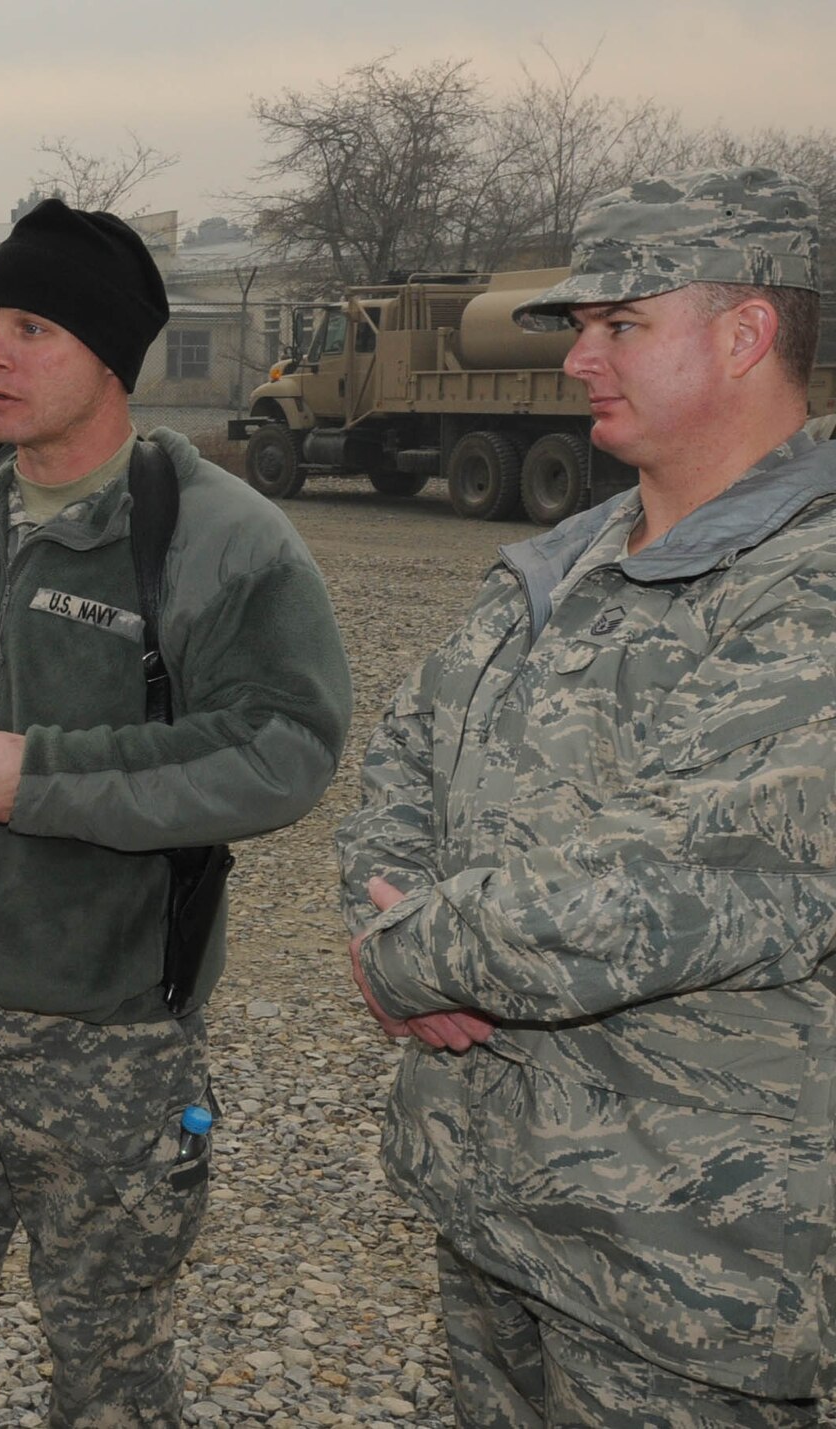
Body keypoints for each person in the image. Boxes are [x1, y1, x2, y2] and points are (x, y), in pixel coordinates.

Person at [0, 198, 352, 1427]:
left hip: (110, 1037)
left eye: (31, 329)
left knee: (108, 1360)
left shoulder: (218, 540)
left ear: (109, 355)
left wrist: (43, 777)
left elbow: (282, 747)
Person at [337, 166, 836, 1426]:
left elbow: (676, 877)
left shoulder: (809, 584)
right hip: (490, 1203)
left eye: (619, 323)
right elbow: (404, 751)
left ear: (744, 333)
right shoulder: (562, 559)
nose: (575, 360)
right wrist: (380, 907)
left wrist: (409, 952)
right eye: (578, 326)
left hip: (688, 1261)